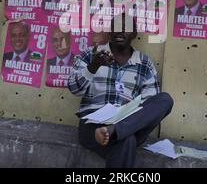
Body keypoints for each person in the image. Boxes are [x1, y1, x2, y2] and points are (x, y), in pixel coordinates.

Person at [68, 13, 174, 168]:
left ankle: (114, 130)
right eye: (116, 27)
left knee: (165, 100)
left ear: (134, 34)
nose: (120, 31)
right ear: (110, 31)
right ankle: (114, 131)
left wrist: (123, 121)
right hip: (93, 127)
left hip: (130, 123)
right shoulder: (92, 54)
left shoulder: (144, 64)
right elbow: (74, 88)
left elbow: (150, 106)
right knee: (126, 140)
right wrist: (93, 66)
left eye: (126, 28)